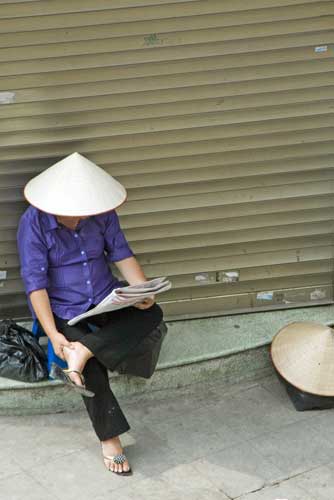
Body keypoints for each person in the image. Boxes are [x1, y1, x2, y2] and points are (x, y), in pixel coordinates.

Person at [16, 152, 164, 475]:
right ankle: (110, 438)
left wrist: (142, 292)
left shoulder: (103, 214)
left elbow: (123, 254)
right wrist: (54, 335)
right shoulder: (33, 223)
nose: (80, 217)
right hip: (64, 310)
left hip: (105, 297)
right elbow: (35, 286)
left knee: (153, 315)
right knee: (89, 363)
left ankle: (84, 349)